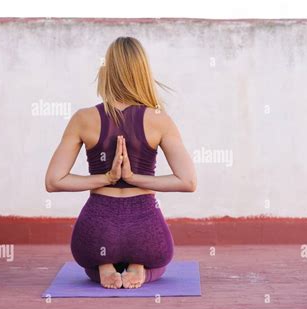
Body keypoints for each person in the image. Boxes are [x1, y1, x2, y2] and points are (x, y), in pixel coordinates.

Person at [45, 37, 197, 289]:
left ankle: (103, 268)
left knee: (90, 264)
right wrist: (135, 178)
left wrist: (106, 178)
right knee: (159, 264)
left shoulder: (83, 118)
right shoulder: (160, 120)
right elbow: (188, 181)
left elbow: (53, 181)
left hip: (97, 229)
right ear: (143, 72)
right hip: (145, 230)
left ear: (106, 71)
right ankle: (140, 267)